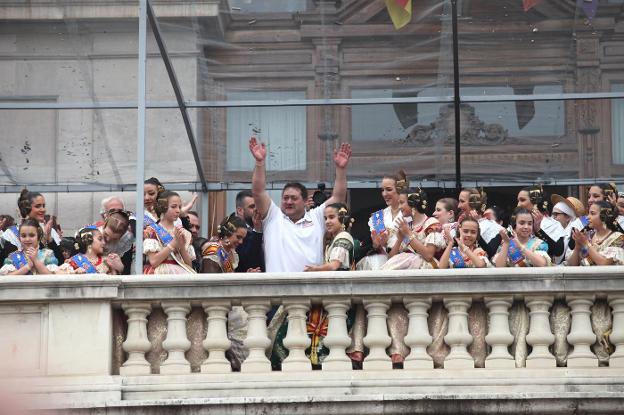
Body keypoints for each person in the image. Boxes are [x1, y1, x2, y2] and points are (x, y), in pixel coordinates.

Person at [248, 136, 351, 272]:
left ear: (304, 201)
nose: (288, 202)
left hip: (312, 289)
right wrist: (259, 163)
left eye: (293, 198)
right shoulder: (273, 216)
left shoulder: (317, 217)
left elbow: (338, 198)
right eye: (285, 198)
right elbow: (258, 191)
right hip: (278, 289)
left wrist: (341, 170)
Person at [302, 203, 364, 367]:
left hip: (339, 292)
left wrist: (315, 269)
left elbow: (334, 265)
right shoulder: (335, 240)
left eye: (331, 217)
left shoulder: (343, 237)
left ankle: (318, 359)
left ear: (342, 219)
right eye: (325, 218)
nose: (327, 221)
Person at [381, 188, 445, 270]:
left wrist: (408, 233)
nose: (399, 207)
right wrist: (399, 240)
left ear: (413, 204)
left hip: (426, 268)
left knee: (407, 259)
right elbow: (390, 259)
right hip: (407, 267)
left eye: (401, 203)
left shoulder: (431, 223)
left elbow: (428, 255)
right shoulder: (407, 226)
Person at [356, 170, 408, 270]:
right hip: (383, 260)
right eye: (382, 190)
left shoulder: (409, 214)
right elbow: (377, 247)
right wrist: (377, 245)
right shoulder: (377, 217)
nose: (384, 194)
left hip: (405, 261)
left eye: (388, 189)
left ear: (400, 189)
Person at [0, 189, 64, 265]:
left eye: (43, 206)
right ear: (26, 209)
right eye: (38, 206)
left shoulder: (49, 230)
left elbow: (60, 263)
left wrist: (49, 239)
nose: (43, 209)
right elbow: (6, 264)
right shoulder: (10, 235)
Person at [143, 190, 196, 274]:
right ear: (163, 207)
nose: (178, 210)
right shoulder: (152, 230)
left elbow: (189, 266)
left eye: (179, 207)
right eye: (174, 206)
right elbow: (154, 262)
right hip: (159, 273)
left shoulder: (183, 232)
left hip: (180, 272)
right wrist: (173, 243)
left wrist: (182, 247)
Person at [566, 201, 624, 266]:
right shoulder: (588, 235)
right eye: (588, 213)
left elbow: (604, 263)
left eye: (592, 213)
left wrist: (586, 243)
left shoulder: (619, 237)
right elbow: (571, 265)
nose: (588, 217)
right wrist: (577, 246)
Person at [516, 186, 564, 259]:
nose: (518, 205)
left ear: (535, 202)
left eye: (522, 200)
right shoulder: (516, 222)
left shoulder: (552, 224)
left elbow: (558, 251)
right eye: (518, 201)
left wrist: (538, 230)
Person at [457, 188, 501, 258]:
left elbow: (490, 252)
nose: (458, 206)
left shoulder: (491, 226)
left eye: (462, 201)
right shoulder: (458, 223)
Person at [59, 227, 123, 275]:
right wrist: (73, 273)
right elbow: (57, 274)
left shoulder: (107, 261)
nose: (104, 243)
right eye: (100, 239)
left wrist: (118, 267)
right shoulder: (73, 261)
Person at [550, 194, 586, 265]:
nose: (552, 218)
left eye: (556, 214)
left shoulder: (575, 234)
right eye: (552, 214)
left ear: (568, 217)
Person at [234, 190, 264, 272]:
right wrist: (257, 230)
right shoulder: (233, 231)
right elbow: (247, 258)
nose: (256, 210)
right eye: (252, 207)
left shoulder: (263, 226)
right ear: (240, 210)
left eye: (258, 206)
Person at [99, 209, 134, 274]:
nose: (108, 240)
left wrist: (121, 268)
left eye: (114, 239)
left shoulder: (126, 240)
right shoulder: (93, 234)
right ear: (104, 225)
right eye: (106, 234)